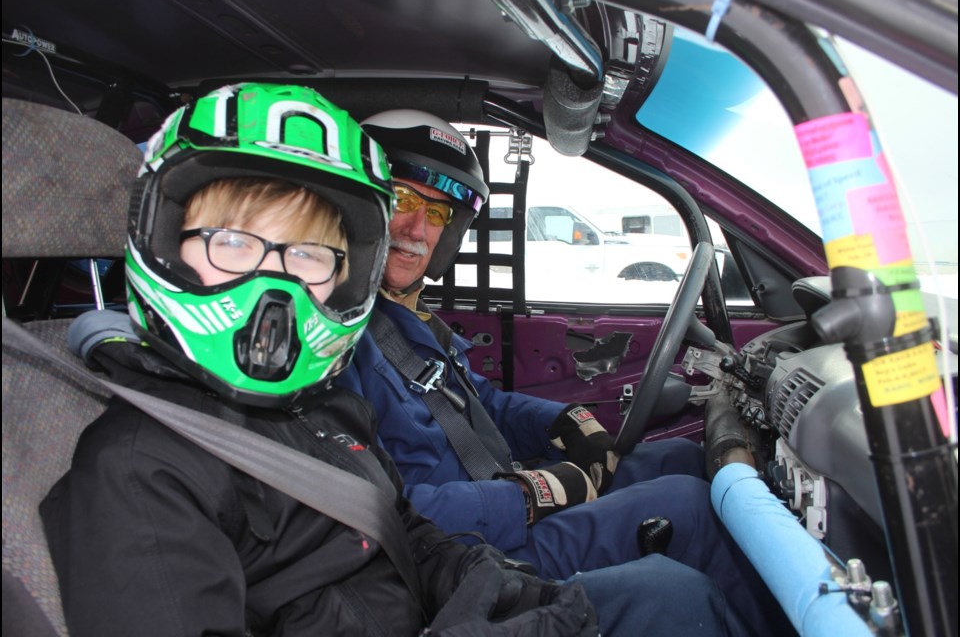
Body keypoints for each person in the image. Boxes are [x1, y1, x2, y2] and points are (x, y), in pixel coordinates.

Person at [38, 83, 745, 637]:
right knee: (679, 570)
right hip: (443, 583)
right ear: (167, 242)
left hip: (436, 590)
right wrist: (532, 498)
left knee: (678, 528)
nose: (276, 289)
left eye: (310, 254)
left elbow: (401, 520)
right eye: (232, 242)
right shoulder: (140, 471)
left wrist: (506, 581)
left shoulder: (320, 399)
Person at [336, 109, 793, 636]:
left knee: (682, 457)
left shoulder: (410, 320)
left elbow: (480, 402)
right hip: (464, 553)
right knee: (695, 511)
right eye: (404, 201)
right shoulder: (337, 344)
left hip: (496, 498)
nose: (419, 229)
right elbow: (385, 511)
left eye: (438, 213)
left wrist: (568, 421)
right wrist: (535, 494)